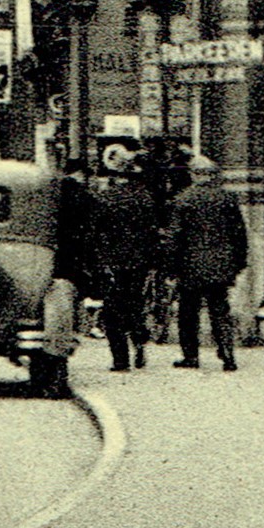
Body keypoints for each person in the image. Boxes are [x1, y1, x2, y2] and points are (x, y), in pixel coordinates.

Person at [169, 155, 247, 371]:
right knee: (220, 310)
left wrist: (171, 266)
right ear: (212, 175)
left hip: (190, 265)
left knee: (188, 312)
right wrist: (238, 262)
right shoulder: (227, 199)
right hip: (221, 265)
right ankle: (227, 354)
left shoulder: (183, 199)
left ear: (193, 174)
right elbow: (239, 234)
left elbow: (176, 236)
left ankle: (191, 356)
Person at [91, 153, 157, 374]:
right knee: (136, 305)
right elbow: (152, 231)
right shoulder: (144, 197)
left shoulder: (106, 198)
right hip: (139, 261)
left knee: (113, 310)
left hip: (113, 262)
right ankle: (139, 342)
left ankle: (121, 359)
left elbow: (96, 232)